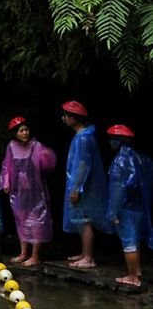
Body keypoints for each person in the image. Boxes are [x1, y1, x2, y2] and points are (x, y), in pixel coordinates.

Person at [0, 115, 57, 265]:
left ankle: (35, 255)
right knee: (21, 220)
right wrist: (6, 182)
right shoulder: (11, 147)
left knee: (37, 221)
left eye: (26, 130)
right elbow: (6, 166)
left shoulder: (36, 146)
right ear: (15, 134)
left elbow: (47, 164)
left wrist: (46, 157)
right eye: (21, 131)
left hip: (35, 190)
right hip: (18, 191)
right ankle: (23, 252)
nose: (25, 133)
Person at [61, 99, 110, 269]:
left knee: (84, 220)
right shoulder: (82, 136)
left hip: (82, 186)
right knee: (80, 219)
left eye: (67, 116)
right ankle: (84, 253)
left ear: (74, 118)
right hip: (78, 184)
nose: (64, 118)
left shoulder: (83, 138)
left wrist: (76, 188)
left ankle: (89, 257)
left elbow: (82, 165)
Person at [106, 124, 151, 288]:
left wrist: (112, 212)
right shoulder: (140, 158)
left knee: (128, 242)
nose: (110, 143)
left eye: (112, 139)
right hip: (139, 207)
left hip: (127, 207)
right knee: (135, 240)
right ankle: (136, 270)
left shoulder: (121, 160)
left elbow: (118, 188)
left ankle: (132, 276)